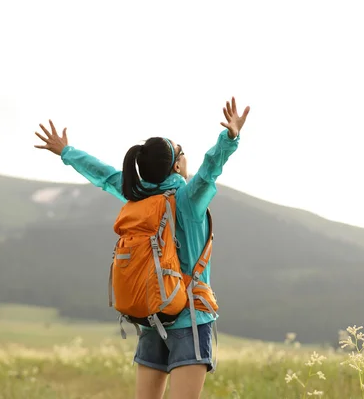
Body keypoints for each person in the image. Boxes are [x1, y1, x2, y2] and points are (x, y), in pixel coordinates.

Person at [34, 97, 250, 399]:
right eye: (182, 152)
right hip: (190, 316)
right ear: (176, 164)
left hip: (152, 318)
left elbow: (104, 175)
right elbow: (211, 168)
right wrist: (230, 138)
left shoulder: (136, 197)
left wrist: (67, 152)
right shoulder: (187, 199)